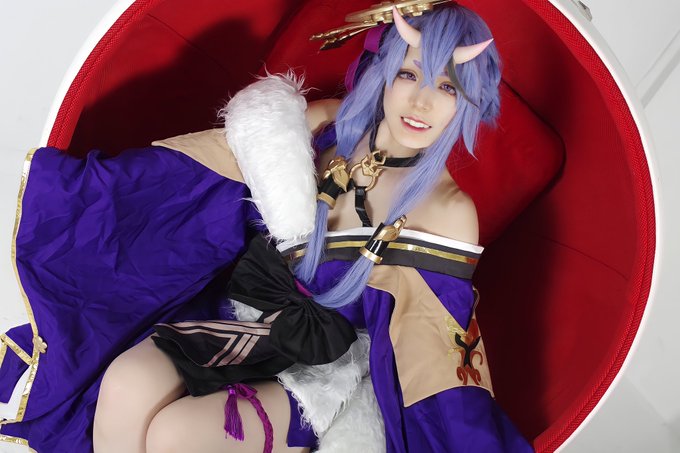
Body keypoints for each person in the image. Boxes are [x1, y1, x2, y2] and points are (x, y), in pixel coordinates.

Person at [0, 2, 532, 452]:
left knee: (174, 436)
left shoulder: (448, 211)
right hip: (244, 316)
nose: (421, 102)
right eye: (409, 75)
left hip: (328, 363)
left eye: (448, 86)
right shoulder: (330, 127)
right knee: (124, 382)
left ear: (469, 100)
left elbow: (432, 352)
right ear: (385, 73)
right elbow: (200, 179)